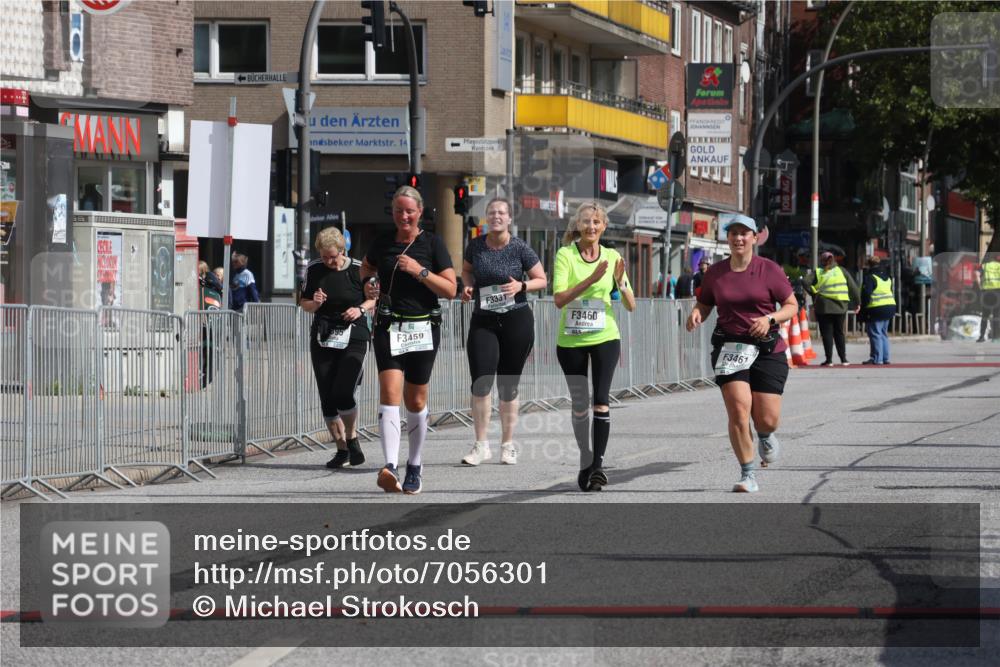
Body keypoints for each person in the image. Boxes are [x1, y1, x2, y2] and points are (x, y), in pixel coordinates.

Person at [686, 214, 799, 493]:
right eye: (733, 233)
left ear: (754, 238)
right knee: (738, 410)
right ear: (728, 238)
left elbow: (791, 305)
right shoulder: (715, 273)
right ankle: (748, 473)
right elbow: (705, 302)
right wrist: (696, 313)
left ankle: (764, 433)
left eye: (744, 233)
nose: (738, 238)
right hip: (730, 347)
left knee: (767, 418)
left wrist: (770, 319)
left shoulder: (769, 270)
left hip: (766, 347)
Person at [361, 186, 457, 494]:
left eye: (409, 211)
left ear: (419, 212)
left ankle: (414, 464)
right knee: (389, 395)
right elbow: (366, 266)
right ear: (392, 212)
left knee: (415, 400)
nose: (404, 216)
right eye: (398, 210)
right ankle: (390, 465)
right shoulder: (382, 243)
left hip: (423, 327)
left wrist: (420, 271)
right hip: (390, 326)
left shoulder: (432, 243)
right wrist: (368, 284)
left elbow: (450, 289)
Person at [553, 202, 635, 492]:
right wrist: (592, 278)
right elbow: (559, 299)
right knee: (579, 406)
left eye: (596, 222)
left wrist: (619, 283)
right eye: (586, 222)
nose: (591, 227)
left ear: (604, 227)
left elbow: (631, 305)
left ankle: (598, 467)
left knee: (600, 398)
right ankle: (586, 461)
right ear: (578, 225)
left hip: (605, 337)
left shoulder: (613, 257)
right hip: (571, 340)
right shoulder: (565, 255)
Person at [460, 197, 547, 466]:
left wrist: (521, 286)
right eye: (491, 212)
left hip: (515, 320)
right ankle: (480, 445)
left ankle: (507, 444)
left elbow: (542, 280)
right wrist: (467, 286)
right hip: (484, 321)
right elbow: (466, 271)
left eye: (501, 212)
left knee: (508, 385)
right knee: (481, 382)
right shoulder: (475, 245)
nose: (496, 216)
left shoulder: (520, 247)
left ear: (509, 218)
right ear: (487, 217)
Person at [300, 227, 375, 469]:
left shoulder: (358, 269)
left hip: (354, 334)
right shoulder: (314, 269)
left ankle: (352, 437)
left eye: (332, 256)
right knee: (327, 396)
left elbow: (375, 297)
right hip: (324, 335)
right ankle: (342, 449)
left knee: (343, 391)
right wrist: (315, 302)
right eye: (324, 257)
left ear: (342, 250)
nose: (329, 262)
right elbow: (304, 304)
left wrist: (360, 309)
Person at [808, 251, 859, 366]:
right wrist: (857, 302)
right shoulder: (842, 271)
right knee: (839, 333)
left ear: (822, 260)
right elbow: (853, 287)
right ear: (834, 260)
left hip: (823, 308)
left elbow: (805, 282)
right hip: (840, 308)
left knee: (827, 334)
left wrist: (814, 293)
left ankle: (829, 360)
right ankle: (844, 359)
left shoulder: (818, 272)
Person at [860, 256, 896, 365]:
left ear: (868, 265)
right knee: (883, 333)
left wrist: (863, 308)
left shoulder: (870, 277)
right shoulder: (887, 277)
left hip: (876, 308)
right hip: (890, 307)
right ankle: (885, 358)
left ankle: (876, 358)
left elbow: (866, 294)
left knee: (875, 333)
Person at [197, 261, 223, 388]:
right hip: (212, 324)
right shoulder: (215, 290)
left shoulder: (203, 288)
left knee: (206, 348)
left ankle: (204, 376)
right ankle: (206, 377)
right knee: (209, 349)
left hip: (205, 323)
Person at [976, 251, 1000, 342]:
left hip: (986, 292)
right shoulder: (999, 266)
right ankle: (996, 337)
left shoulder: (985, 266)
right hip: (998, 292)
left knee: (985, 315)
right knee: (996, 315)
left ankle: (981, 336)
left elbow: (977, 275)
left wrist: (980, 287)